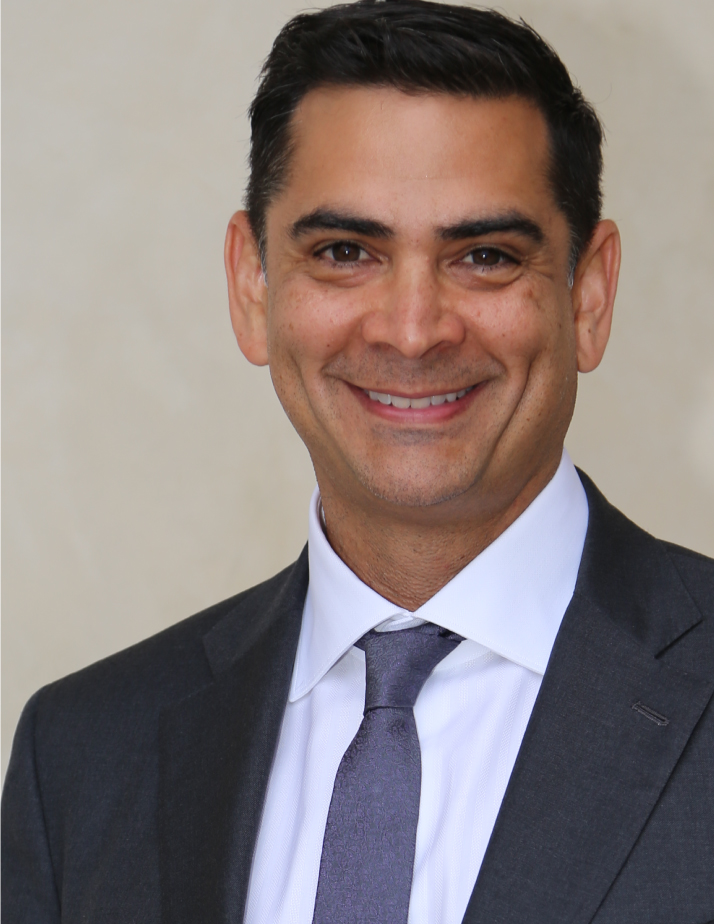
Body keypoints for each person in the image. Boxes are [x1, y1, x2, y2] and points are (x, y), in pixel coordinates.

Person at [3, 1, 713, 922]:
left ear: (589, 296)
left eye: (485, 256)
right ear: (252, 286)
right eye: (346, 252)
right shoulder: (82, 760)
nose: (412, 331)